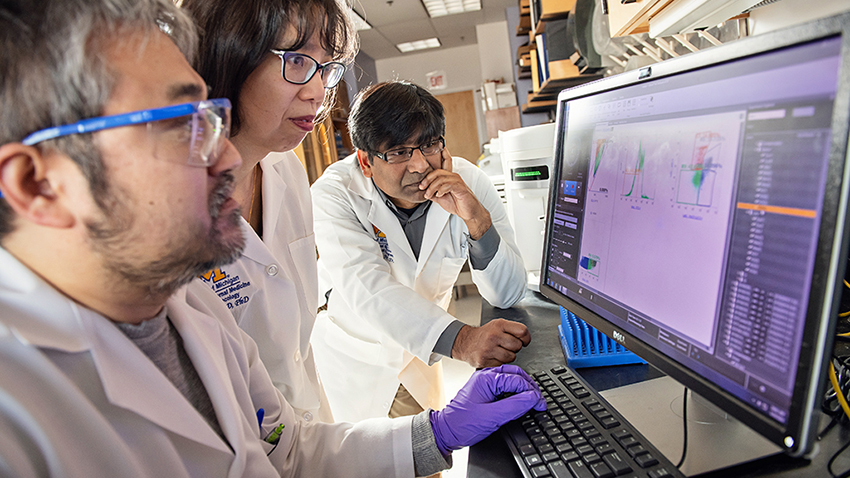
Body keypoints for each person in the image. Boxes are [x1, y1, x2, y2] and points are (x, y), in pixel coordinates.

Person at [0, 1, 546, 476]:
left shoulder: (191, 311)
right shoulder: (18, 416)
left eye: (210, 119)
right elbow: (361, 287)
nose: (224, 157)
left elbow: (286, 453)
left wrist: (442, 433)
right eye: (179, 126)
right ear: (38, 184)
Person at [311, 80, 531, 423]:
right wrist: (463, 340)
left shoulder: (468, 183)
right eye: (398, 152)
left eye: (428, 145)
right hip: (358, 359)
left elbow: (509, 293)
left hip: (422, 352)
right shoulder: (333, 194)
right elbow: (368, 289)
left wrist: (477, 221)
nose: (419, 165)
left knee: (427, 455)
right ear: (366, 162)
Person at [179, 0, 355, 424]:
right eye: (296, 60)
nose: (317, 91)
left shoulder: (286, 171)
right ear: (228, 57)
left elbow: (297, 355)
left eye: (326, 68)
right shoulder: (173, 209)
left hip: (307, 433)